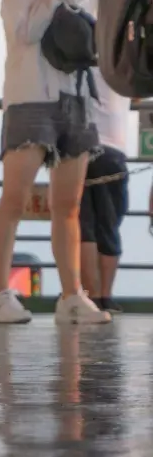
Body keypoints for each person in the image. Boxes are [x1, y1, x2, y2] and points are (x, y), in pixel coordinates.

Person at [0, 0, 110, 325]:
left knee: (69, 206)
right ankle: (0, 295)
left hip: (77, 102)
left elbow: (95, 49)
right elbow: (24, 33)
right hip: (30, 99)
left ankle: (72, 295)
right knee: (15, 198)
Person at [79, 72, 130, 314]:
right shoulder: (121, 63)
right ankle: (106, 296)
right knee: (109, 226)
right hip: (112, 150)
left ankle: (91, 297)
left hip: (79, 146)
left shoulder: (79, 55)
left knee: (84, 228)